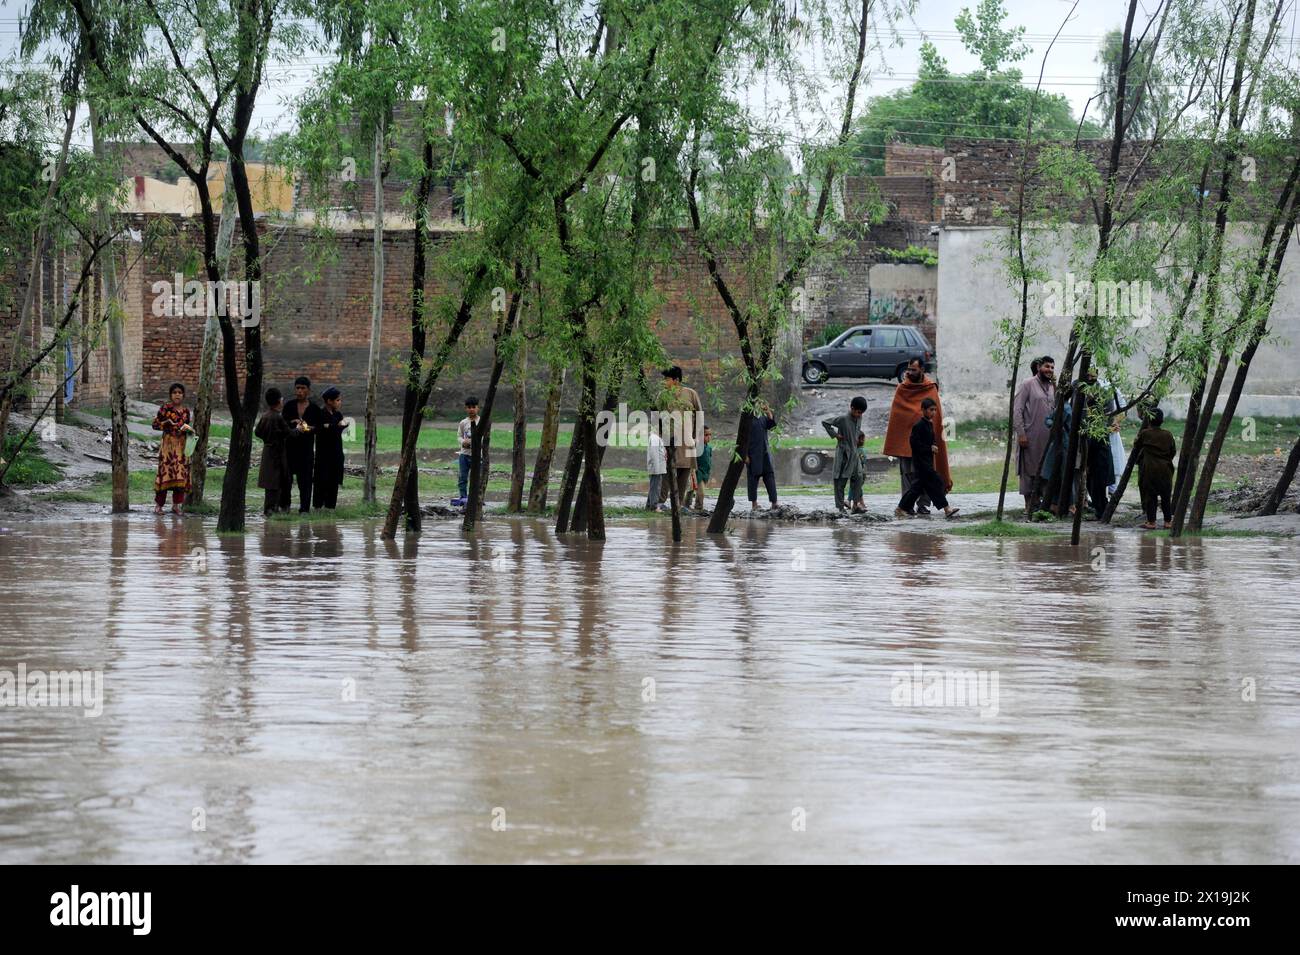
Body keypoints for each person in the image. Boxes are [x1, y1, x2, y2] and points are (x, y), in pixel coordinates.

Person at [884, 357, 952, 515]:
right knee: (909, 476)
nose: (909, 372)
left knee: (926, 477)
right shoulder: (902, 389)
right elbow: (898, 416)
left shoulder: (930, 389)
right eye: (908, 369)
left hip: (926, 445)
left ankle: (923, 505)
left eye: (913, 369)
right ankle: (906, 506)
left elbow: (937, 418)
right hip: (905, 442)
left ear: (922, 369)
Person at [896, 398, 961, 519]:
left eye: (935, 410)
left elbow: (932, 440)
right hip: (921, 463)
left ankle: (900, 508)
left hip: (928, 462)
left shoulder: (930, 424)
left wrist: (934, 445)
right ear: (923, 410)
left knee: (917, 488)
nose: (934, 412)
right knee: (936, 482)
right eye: (931, 410)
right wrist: (929, 448)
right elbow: (914, 444)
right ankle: (947, 509)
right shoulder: (919, 426)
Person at [1014, 356, 1056, 516]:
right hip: (1029, 437)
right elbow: (1017, 410)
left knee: (1045, 469)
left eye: (1052, 367)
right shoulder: (1027, 384)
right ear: (1039, 367)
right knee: (1029, 471)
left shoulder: (1053, 386)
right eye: (1047, 367)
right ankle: (1029, 505)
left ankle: (1042, 505)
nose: (1050, 370)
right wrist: (1021, 434)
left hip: (1048, 439)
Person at [657, 366, 704, 509]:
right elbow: (656, 417)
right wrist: (659, 437)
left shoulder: (691, 394)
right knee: (667, 470)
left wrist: (697, 437)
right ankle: (661, 501)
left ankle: (679, 504)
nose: (665, 382)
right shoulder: (662, 395)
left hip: (688, 439)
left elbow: (700, 415)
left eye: (667, 379)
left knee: (685, 469)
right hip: (669, 439)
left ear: (676, 380)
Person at [282, 376, 324, 513]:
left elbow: (320, 428)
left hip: (306, 451)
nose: (299, 391)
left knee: (305, 481)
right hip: (289, 449)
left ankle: (304, 509)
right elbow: (282, 425)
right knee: (286, 480)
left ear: (308, 391)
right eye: (297, 388)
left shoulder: (315, 409)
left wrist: (310, 428)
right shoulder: (289, 406)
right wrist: (292, 424)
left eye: (303, 388)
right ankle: (285, 506)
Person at [151, 382, 194, 514]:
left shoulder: (186, 411)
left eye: (180, 393)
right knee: (165, 474)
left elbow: (187, 427)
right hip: (168, 447)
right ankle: (159, 506)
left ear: (183, 395)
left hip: (182, 447)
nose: (177, 395)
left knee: (181, 475)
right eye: (174, 392)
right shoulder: (165, 409)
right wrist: (166, 423)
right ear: (170, 395)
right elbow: (155, 425)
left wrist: (190, 430)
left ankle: (176, 505)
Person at [1132, 407, 1177, 529]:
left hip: (1149, 470)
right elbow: (1173, 451)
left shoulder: (1145, 434)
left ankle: (1151, 522)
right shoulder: (1168, 434)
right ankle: (1168, 521)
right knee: (1166, 496)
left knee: (1150, 496)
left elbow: (1137, 446)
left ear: (1148, 421)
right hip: (1166, 470)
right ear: (1162, 421)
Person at [823, 396, 868, 513]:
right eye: (858, 412)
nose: (859, 415)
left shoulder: (859, 418)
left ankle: (855, 505)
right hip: (843, 454)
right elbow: (825, 422)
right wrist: (836, 435)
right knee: (840, 481)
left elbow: (856, 431)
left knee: (859, 477)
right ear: (852, 408)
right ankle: (840, 508)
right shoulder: (843, 419)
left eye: (861, 413)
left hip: (854, 453)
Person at [255, 387, 291, 515]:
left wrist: (268, 438)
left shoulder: (265, 416)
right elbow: (289, 433)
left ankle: (269, 509)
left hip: (268, 452)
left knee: (270, 482)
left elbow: (258, 432)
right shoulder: (278, 417)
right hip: (278, 453)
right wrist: (299, 429)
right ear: (279, 401)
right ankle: (273, 510)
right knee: (277, 482)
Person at [313, 387, 346, 510]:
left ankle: (330, 507)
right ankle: (318, 506)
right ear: (329, 401)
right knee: (322, 480)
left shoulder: (338, 414)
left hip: (336, 453)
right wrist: (332, 427)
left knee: (333, 480)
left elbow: (339, 427)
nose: (339, 402)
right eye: (337, 400)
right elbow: (320, 429)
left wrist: (330, 427)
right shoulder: (321, 414)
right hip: (324, 454)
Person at [745, 402, 778, 511]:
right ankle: (754, 503)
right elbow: (742, 440)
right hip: (752, 455)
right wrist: (745, 455)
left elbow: (772, 426)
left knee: (770, 478)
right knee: (753, 479)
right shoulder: (747, 420)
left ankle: (774, 502)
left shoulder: (763, 418)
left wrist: (768, 412)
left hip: (765, 454)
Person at [454, 396, 479, 508]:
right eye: (469, 407)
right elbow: (459, 436)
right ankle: (463, 497)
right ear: (466, 409)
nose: (471, 409)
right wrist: (463, 442)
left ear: (478, 408)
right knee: (463, 477)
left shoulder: (481, 422)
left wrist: (474, 442)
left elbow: (484, 437)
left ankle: (476, 498)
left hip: (477, 455)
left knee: (476, 478)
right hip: (464, 454)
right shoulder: (463, 422)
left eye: (473, 407)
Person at [686, 425, 713, 513]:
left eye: (710, 435)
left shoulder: (708, 447)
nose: (708, 437)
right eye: (706, 435)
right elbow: (690, 458)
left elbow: (708, 460)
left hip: (705, 473)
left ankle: (689, 506)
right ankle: (697, 507)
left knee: (693, 490)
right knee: (698, 491)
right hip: (697, 471)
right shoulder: (696, 445)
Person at [646, 428, 667, 511]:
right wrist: (657, 468)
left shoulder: (657, 437)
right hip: (656, 467)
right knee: (656, 487)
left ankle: (649, 505)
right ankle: (654, 507)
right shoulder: (654, 438)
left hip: (658, 467)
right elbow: (654, 454)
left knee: (654, 486)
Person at [854, 432, 869, 511]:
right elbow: (863, 461)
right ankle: (860, 503)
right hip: (860, 471)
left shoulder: (859, 450)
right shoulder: (858, 450)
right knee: (858, 487)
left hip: (861, 471)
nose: (862, 441)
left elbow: (863, 460)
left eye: (863, 439)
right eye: (861, 439)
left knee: (857, 487)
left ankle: (857, 503)